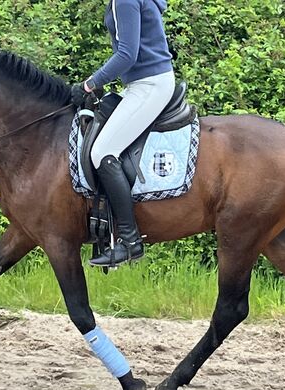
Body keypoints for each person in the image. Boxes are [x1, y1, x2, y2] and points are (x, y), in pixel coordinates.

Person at [71, 0, 175, 267]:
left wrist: (89, 84)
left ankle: (129, 241)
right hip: (144, 83)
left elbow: (127, 55)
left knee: (103, 152)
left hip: (149, 84)